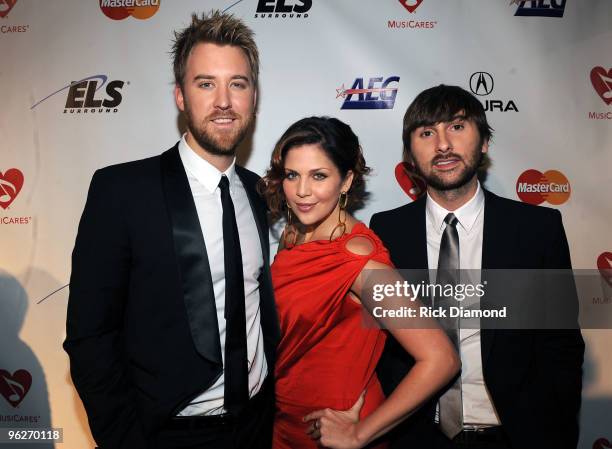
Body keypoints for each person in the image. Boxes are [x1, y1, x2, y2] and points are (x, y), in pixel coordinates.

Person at [63, 11, 280, 449]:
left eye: (237, 84)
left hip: (257, 427)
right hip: (168, 434)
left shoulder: (262, 193)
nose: (223, 101)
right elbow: (91, 337)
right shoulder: (121, 191)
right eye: (206, 84)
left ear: (253, 97)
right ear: (181, 96)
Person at [370, 84, 585, 449]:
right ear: (409, 154)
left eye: (456, 127)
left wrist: (554, 431)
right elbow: (380, 345)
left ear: (484, 141)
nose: (442, 145)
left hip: (515, 436)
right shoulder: (386, 231)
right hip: (416, 435)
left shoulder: (537, 230)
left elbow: (561, 345)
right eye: (426, 133)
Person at [258, 116, 460, 449]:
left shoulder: (359, 259)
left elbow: (441, 359)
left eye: (319, 176)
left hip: (331, 431)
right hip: (283, 424)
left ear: (347, 180)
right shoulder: (295, 232)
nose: (302, 191)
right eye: (293, 175)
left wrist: (359, 433)